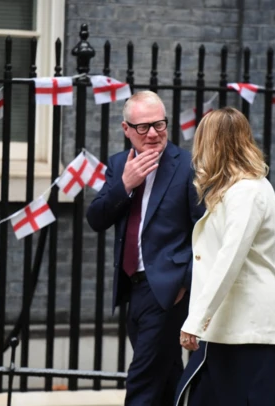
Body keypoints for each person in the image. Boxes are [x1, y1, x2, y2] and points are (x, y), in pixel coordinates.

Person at [174, 107, 275, 406]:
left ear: (213, 143)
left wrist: (195, 321)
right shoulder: (235, 190)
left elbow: (229, 260)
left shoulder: (247, 192)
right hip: (229, 329)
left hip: (248, 332)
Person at [86, 91, 205, 406]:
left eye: (159, 125)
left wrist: (184, 283)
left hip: (167, 290)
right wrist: (125, 184)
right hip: (132, 288)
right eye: (143, 127)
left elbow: (206, 231)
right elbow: (96, 219)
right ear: (126, 129)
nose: (153, 133)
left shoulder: (186, 166)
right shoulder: (118, 164)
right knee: (164, 377)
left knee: (141, 380)